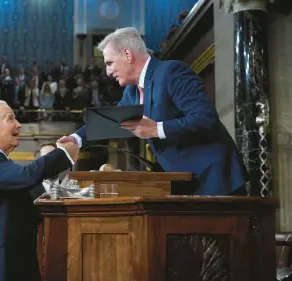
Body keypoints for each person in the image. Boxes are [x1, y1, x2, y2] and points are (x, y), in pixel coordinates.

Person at [58, 27, 249, 196]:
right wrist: (75, 139)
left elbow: (205, 119)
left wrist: (156, 129)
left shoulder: (172, 72)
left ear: (127, 54)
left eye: (109, 63)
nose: (108, 72)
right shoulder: (132, 91)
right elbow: (107, 122)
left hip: (216, 180)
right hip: (186, 183)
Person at [0, 99, 79, 281]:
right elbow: (26, 175)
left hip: (10, 262)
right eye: (10, 119)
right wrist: (63, 154)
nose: (18, 125)